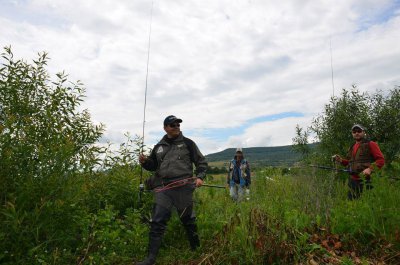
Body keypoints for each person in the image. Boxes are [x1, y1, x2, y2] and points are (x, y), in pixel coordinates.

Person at [137, 115, 207, 265]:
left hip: (184, 188)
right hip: (163, 189)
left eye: (178, 125)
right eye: (173, 125)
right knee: (157, 221)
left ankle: (196, 249)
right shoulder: (159, 146)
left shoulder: (188, 143)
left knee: (188, 220)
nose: (176, 127)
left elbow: (201, 162)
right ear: (165, 128)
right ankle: (150, 259)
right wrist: (145, 162)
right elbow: (153, 166)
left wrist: (200, 177)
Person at [333, 124, 385, 200]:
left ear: (363, 132)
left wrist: (370, 169)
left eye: (359, 131)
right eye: (354, 132)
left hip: (367, 181)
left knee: (367, 206)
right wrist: (341, 160)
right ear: (352, 134)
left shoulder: (371, 144)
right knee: (352, 205)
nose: (356, 133)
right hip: (353, 181)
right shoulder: (352, 146)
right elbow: (350, 163)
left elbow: (381, 160)